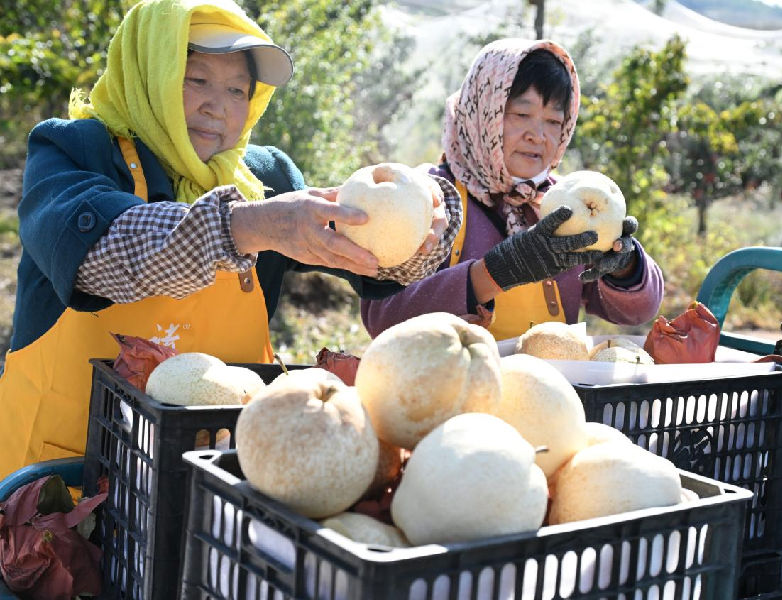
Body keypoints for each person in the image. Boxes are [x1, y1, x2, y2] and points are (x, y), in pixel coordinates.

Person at [0, 0, 458, 480]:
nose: (216, 105)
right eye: (196, 80)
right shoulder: (73, 151)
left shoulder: (265, 179)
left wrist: (420, 222)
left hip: (205, 481)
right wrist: (246, 226)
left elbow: (372, 258)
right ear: (149, 72)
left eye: (237, 90)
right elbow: (102, 255)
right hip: (61, 485)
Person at [361, 38, 663, 341]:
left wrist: (625, 266)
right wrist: (497, 271)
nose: (539, 135)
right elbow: (383, 316)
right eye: (521, 114)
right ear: (482, 112)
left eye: (554, 121)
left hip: (549, 371)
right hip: (450, 370)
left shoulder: (568, 201)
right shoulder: (426, 197)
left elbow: (638, 311)